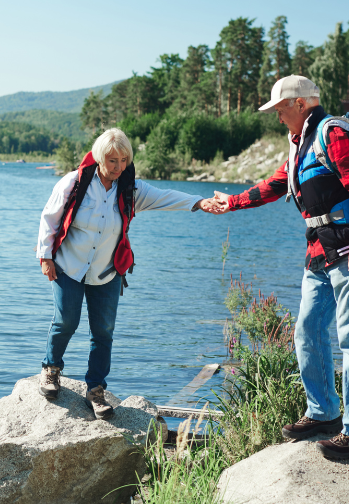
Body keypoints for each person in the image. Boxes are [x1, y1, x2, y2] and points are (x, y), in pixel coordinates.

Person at [213, 75, 349, 459]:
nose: (277, 117)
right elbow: (276, 184)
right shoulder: (300, 144)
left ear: (301, 103)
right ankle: (324, 414)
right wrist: (234, 201)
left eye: (280, 108)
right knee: (306, 333)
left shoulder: (334, 134)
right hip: (318, 254)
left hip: (347, 253)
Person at [35, 128, 220, 419]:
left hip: (108, 271)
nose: (119, 166)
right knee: (66, 321)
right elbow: (50, 218)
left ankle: (95, 390)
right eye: (112, 160)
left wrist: (198, 202)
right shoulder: (74, 182)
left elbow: (165, 196)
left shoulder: (131, 188)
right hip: (69, 266)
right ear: (99, 158)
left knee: (103, 332)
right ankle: (51, 369)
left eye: (124, 160)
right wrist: (45, 256)